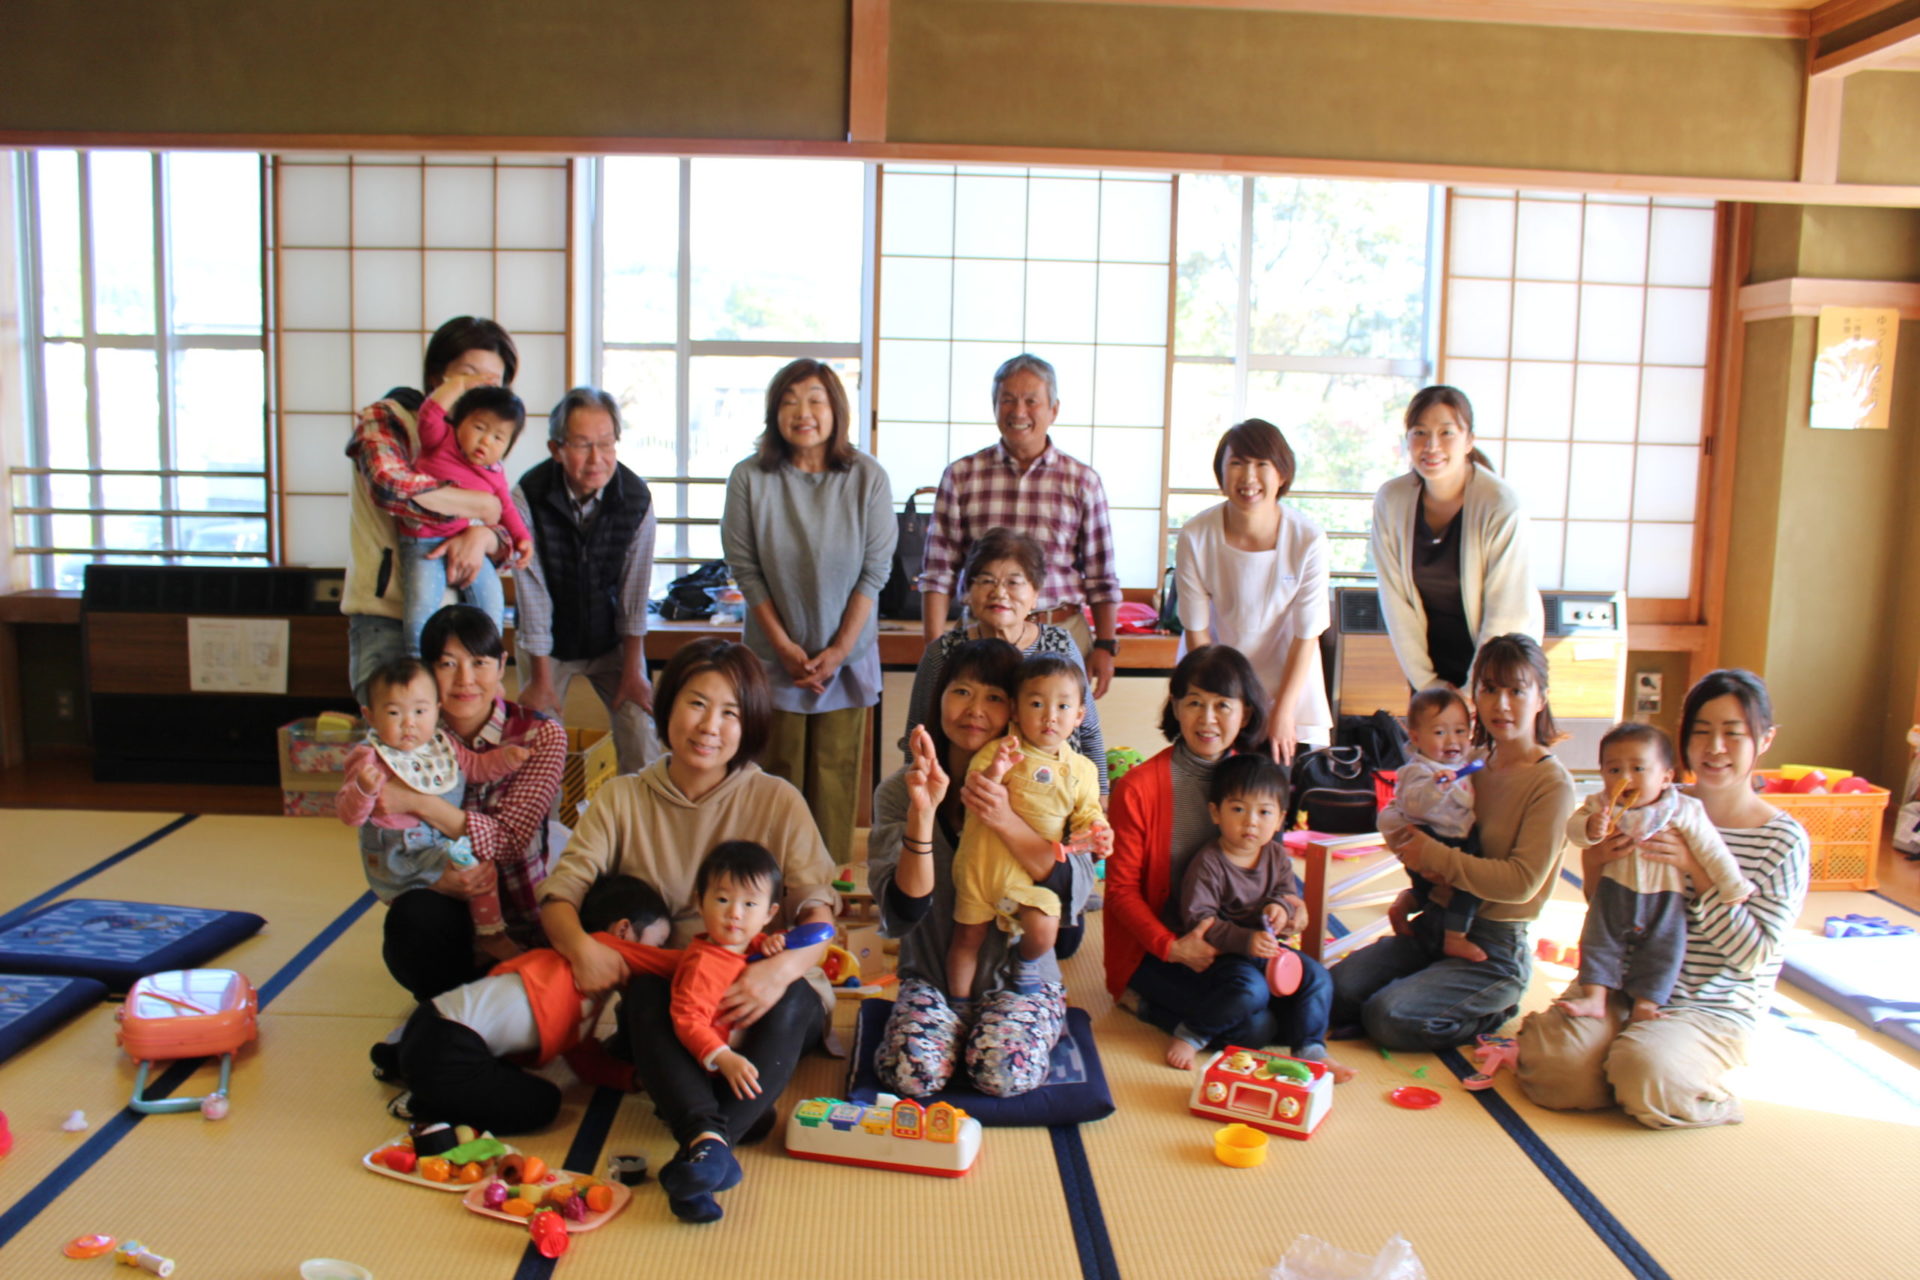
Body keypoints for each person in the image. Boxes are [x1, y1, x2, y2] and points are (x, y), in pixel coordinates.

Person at [535, 638, 838, 1224]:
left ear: (748, 724)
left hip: (760, 998)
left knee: (797, 998)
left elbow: (818, 914)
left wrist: (778, 971)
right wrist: (580, 950)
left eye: (730, 712)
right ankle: (724, 1132)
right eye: (697, 704)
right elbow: (558, 893)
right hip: (677, 1007)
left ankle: (706, 1130)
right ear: (667, 705)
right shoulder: (622, 797)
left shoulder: (776, 800)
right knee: (648, 994)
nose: (710, 726)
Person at [1515, 669, 1809, 1129]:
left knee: (1645, 1070)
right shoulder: (1650, 804)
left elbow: (1754, 956)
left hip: (1711, 1008)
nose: (1714, 749)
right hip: (1624, 986)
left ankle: (1701, 1092)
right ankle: (1617, 1060)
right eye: (1702, 733)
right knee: (1559, 1073)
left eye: (1733, 735)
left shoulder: (1782, 840)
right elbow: (1607, 909)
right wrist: (1597, 857)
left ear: (1764, 740)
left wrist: (1698, 870)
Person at [869, 638, 1094, 1098]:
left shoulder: (1058, 783)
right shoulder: (901, 790)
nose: (975, 710)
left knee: (1000, 1073)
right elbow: (902, 912)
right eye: (962, 692)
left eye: (993, 697)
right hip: (932, 975)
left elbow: (1073, 892)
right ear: (939, 699)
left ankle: (1010, 1020)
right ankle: (955, 1022)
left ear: (1015, 711)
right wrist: (923, 813)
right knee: (910, 1074)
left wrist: (1006, 821)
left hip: (1019, 981)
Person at [1329, 634, 1577, 1051]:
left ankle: (1494, 1005)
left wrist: (1433, 856)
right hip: (1434, 921)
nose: (1501, 704)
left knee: (1387, 1016)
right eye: (1489, 689)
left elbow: (1520, 882)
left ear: (1541, 698)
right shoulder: (1469, 760)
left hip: (1492, 946)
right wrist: (1416, 889)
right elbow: (1414, 816)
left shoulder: (1552, 784)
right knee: (1334, 992)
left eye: (1517, 690)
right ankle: (1431, 984)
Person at [1104, 645, 1341, 1068]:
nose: (1207, 718)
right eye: (1194, 702)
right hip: (1160, 948)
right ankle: (1140, 1003)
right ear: (1175, 708)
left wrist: (1290, 906)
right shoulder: (1138, 788)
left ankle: (1306, 1050)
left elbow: (1273, 868)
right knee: (1254, 1029)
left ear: (1245, 714)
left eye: (1222, 705)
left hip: (1238, 948)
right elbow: (1120, 892)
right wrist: (1172, 947)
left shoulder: (1256, 782)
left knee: (1292, 1006)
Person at [721, 359, 896, 865]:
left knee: (836, 776)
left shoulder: (867, 477)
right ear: (775, 411)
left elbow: (874, 572)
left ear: (836, 409)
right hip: (775, 655)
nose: (804, 412)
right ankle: (769, 889)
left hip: (849, 652)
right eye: (790, 400)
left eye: (816, 399)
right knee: (775, 775)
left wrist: (839, 650)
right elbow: (746, 570)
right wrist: (785, 648)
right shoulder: (750, 478)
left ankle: (831, 890)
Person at [372, 606, 567, 1005]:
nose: (465, 680)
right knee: (413, 921)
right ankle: (446, 1008)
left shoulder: (540, 735)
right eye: (447, 664)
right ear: (426, 671)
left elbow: (510, 840)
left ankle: (458, 1017)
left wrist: (419, 801)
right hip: (449, 910)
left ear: (501, 666)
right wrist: (431, 880)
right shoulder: (407, 738)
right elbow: (386, 842)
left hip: (524, 922)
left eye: (479, 663)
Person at [387, 874, 675, 1135]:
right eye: (659, 941)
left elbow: (586, 1060)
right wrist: (714, 957)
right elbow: (666, 964)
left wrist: (636, 1078)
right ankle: (425, 1103)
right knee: (542, 1104)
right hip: (448, 1045)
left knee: (512, 1081)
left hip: (432, 1030)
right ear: (623, 931)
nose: (658, 951)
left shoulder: (578, 994)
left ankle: (397, 1062)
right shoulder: (597, 946)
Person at [918, 353, 1123, 698]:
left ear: (1053, 410)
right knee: (974, 733)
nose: (1019, 412)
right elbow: (938, 572)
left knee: (1058, 742)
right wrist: (933, 650)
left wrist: (1105, 644)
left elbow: (1101, 575)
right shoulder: (961, 475)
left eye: (1032, 401)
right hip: (979, 635)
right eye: (1007, 400)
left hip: (1062, 633)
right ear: (994, 406)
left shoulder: (1082, 481)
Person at [345, 316, 521, 700]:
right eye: (468, 374)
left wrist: (483, 536)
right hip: (387, 618)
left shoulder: (480, 441)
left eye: (493, 382)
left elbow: (507, 540)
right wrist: (480, 504)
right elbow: (391, 487)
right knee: (396, 749)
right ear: (438, 376)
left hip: (460, 627)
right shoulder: (387, 417)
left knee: (456, 757)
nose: (479, 388)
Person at [337, 655, 531, 965]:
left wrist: (506, 759)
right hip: (399, 856)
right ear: (370, 716)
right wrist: (363, 789)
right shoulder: (369, 759)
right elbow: (350, 815)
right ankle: (489, 938)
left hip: (439, 845)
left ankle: (488, 933)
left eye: (419, 711)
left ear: (436, 711)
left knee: (481, 867)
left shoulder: (443, 747)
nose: (408, 723)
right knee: (448, 888)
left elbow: (476, 767)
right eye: (393, 712)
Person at [1556, 723, 1751, 1024]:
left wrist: (1732, 885)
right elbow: (1573, 832)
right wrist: (1589, 828)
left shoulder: (1681, 810)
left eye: (1638, 768)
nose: (1625, 778)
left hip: (1663, 898)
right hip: (1613, 892)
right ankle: (1595, 997)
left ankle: (1646, 1004)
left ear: (1666, 777)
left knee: (1665, 949)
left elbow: (1712, 849)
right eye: (1613, 770)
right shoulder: (1600, 806)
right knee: (1597, 940)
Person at [512, 386, 660, 776]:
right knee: (537, 745)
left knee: (641, 732)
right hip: (547, 640)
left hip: (610, 636)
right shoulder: (528, 496)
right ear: (556, 449)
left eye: (607, 444)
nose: (597, 459)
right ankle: (543, 834)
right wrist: (541, 678)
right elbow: (532, 595)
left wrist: (633, 670)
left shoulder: (636, 499)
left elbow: (634, 593)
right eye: (582, 445)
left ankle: (641, 831)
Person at [945, 655, 1106, 1010]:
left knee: (1045, 926)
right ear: (1016, 710)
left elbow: (1087, 816)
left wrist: (1097, 832)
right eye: (1036, 704)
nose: (1050, 716)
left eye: (1063, 706)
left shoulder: (1083, 769)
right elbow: (977, 796)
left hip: (1028, 877)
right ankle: (958, 1004)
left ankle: (1026, 962)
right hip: (980, 869)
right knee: (966, 939)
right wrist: (996, 770)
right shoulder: (999, 749)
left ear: (1079, 716)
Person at [1164, 755, 1339, 1075]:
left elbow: (1286, 895)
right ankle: (1191, 1034)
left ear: (1280, 819)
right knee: (1250, 990)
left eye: (1264, 812)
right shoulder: (1208, 863)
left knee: (1317, 977)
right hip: (1222, 955)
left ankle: (1311, 1047)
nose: (1251, 822)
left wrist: (1281, 909)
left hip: (1268, 948)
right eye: (1238, 809)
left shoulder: (1274, 854)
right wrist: (1246, 940)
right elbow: (1198, 919)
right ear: (1215, 812)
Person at [903, 527, 1107, 792]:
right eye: (986, 580)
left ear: (1035, 594)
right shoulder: (944, 651)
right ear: (968, 591)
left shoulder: (1059, 645)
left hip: (1055, 789)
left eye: (1013, 582)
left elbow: (1088, 729)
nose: (999, 593)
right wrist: (917, 789)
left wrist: (1101, 793)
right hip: (965, 790)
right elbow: (918, 730)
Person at [1174, 419, 1331, 762]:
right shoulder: (1196, 535)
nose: (1248, 478)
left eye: (1262, 464)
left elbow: (1307, 636)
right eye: (1237, 464)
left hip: (1290, 686)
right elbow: (1197, 634)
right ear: (1221, 473)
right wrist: (1222, 706)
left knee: (1285, 797)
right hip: (1215, 684)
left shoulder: (1308, 539)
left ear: (1282, 474)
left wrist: (1282, 711)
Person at [1369, 386, 1543, 691]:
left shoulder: (1501, 504)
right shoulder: (1391, 500)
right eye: (1419, 432)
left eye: (1446, 433)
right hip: (1429, 664)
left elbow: (1506, 611)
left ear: (1468, 441)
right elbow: (1395, 601)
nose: (1431, 445)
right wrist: (1427, 683)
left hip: (1499, 668)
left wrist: (1475, 689)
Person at [392, 381, 534, 655]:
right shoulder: (440, 440)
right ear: (458, 422)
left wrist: (522, 538)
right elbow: (429, 413)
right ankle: (416, 659)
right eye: (479, 428)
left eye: (498, 437)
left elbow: (506, 507)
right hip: (423, 544)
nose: (485, 441)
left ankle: (488, 660)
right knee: (421, 606)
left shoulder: (494, 471)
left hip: (465, 542)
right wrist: (459, 384)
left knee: (491, 600)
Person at [670, 841, 790, 1103]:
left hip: (745, 1055)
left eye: (749, 904)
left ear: (769, 913)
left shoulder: (750, 944)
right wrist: (723, 1058)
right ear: (700, 903)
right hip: (716, 1066)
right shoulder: (703, 965)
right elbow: (688, 1021)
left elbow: (761, 948)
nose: (734, 913)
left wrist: (771, 944)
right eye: (723, 899)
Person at [1376, 684, 1486, 962]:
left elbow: (1481, 762)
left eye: (1460, 731)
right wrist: (1436, 788)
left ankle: (1404, 906)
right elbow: (1413, 804)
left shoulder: (1467, 760)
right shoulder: (1419, 770)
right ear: (1416, 737)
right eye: (1439, 732)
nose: (1452, 740)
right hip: (1432, 839)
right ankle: (1455, 937)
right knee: (1469, 885)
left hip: (1453, 837)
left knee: (1428, 893)